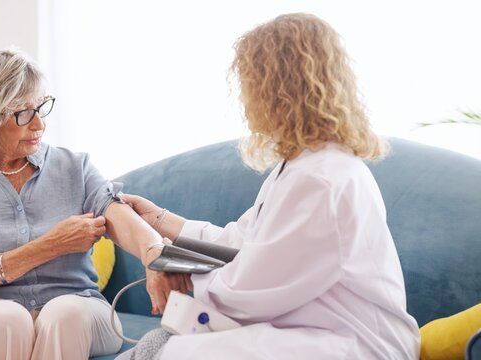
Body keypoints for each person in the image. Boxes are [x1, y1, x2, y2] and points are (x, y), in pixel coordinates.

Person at [120, 13, 420, 360]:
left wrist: (178, 270)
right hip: (317, 332)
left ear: (276, 89)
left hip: (356, 344)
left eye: (248, 82)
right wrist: (159, 219)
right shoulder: (302, 164)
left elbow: (248, 292)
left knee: (175, 353)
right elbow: (243, 242)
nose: (243, 98)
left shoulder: (321, 179)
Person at [0, 47, 188, 360]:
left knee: (66, 312)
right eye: (23, 113)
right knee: (7, 319)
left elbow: (117, 214)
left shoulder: (74, 166)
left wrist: (153, 252)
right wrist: (50, 245)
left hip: (79, 306)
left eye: (41, 107)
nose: (39, 125)